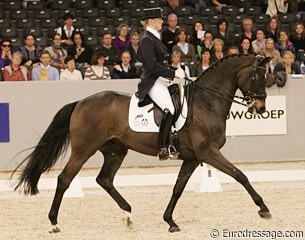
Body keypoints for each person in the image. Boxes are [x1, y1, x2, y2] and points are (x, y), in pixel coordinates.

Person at [137, 7, 185, 161]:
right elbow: (152, 66)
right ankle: (163, 147)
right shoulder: (146, 40)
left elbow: (161, 64)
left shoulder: (154, 37)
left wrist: (175, 69)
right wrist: (173, 73)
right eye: (160, 19)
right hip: (152, 82)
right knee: (169, 108)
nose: (162, 21)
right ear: (151, 21)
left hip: (161, 78)